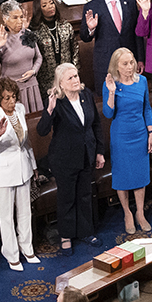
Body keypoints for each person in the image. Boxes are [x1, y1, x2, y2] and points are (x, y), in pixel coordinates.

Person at [39, 63, 103, 251]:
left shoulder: (86, 95)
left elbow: (96, 125)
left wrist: (99, 151)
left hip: (86, 155)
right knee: (67, 197)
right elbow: (42, 130)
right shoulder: (55, 101)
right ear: (61, 83)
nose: (76, 80)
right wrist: (49, 111)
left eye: (76, 76)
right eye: (71, 78)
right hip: (64, 159)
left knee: (84, 195)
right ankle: (66, 235)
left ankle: (85, 232)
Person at [0, 79, 39, 270]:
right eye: (7, 98)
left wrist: (34, 165)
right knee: (6, 216)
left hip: (23, 169)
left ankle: (27, 249)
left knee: (25, 211)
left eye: (13, 97)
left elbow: (26, 142)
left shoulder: (20, 110)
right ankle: (11, 254)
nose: (12, 101)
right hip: (3, 173)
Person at [102, 46, 152, 235]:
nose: (130, 66)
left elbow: (147, 108)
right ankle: (127, 213)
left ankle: (140, 212)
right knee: (123, 176)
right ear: (116, 66)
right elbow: (108, 114)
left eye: (131, 62)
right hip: (121, 136)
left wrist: (151, 133)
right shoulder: (110, 83)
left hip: (139, 134)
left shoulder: (142, 81)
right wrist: (112, 92)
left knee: (140, 175)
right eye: (125, 63)